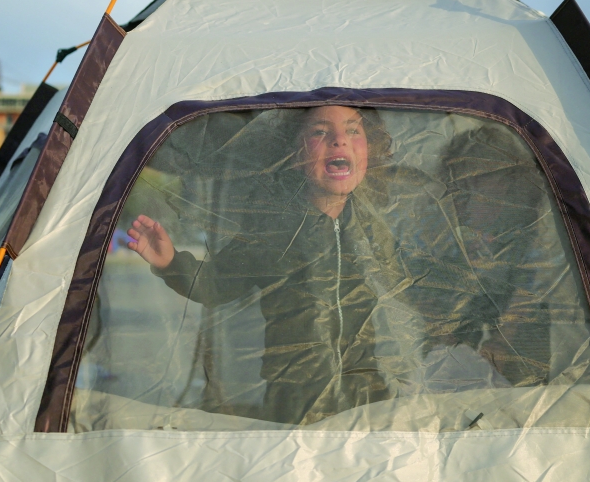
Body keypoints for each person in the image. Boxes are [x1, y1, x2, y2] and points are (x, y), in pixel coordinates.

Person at [128, 106, 397, 424]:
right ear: (296, 153)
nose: (340, 140)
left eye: (354, 130)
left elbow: (414, 287)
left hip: (368, 397)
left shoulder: (374, 225)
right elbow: (218, 283)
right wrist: (172, 263)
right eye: (320, 131)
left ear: (371, 149)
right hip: (296, 400)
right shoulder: (275, 227)